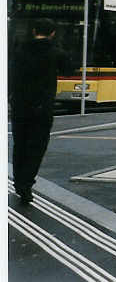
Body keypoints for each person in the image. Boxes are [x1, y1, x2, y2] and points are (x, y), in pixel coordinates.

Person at [9, 18, 70, 203]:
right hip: (42, 107)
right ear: (52, 33)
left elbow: (11, 75)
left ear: (34, 30)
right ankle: (26, 184)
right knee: (37, 147)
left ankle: (19, 181)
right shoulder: (55, 52)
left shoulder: (19, 50)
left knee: (20, 145)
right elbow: (69, 69)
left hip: (20, 105)